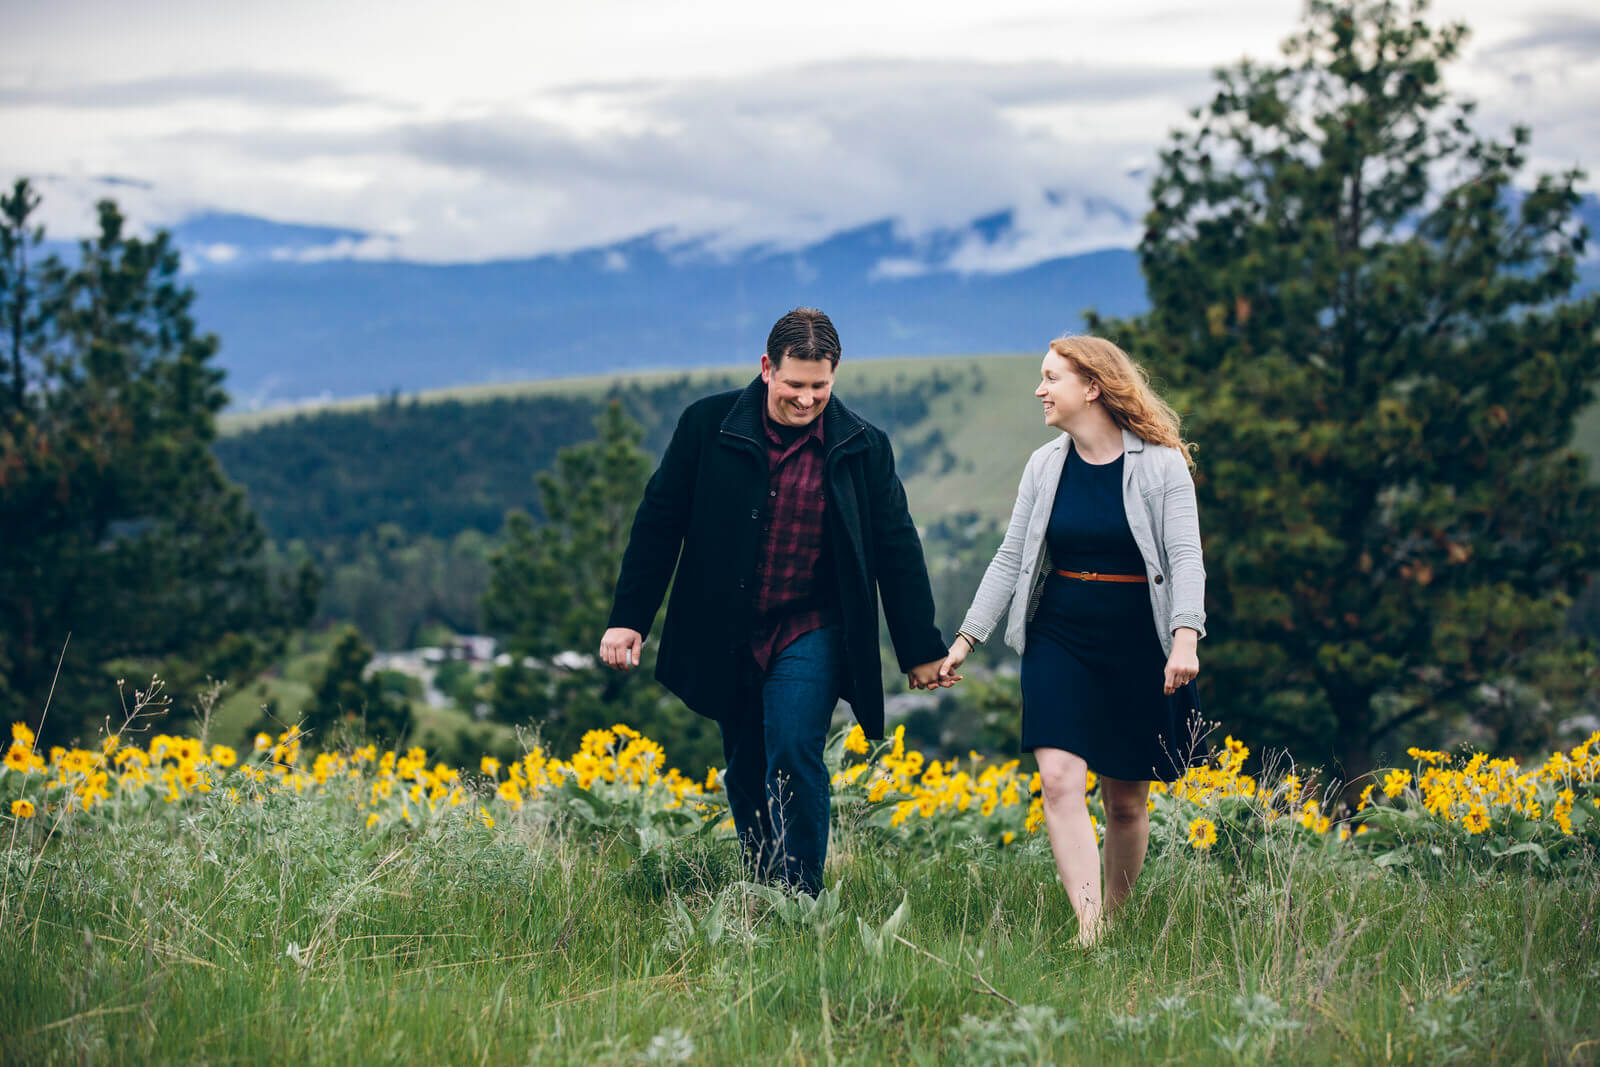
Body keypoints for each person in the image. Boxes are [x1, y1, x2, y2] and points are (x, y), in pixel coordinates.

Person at [599, 307, 952, 896]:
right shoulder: (707, 426)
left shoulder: (864, 447)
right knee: (745, 766)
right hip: (728, 626)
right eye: (795, 384)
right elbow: (660, 523)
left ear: (835, 376)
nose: (807, 399)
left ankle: (800, 899)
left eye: (820, 386)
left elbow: (896, 547)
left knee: (793, 746)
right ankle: (761, 888)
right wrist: (628, 620)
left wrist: (920, 648)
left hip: (813, 626)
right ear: (767, 368)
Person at [939, 334, 1205, 945]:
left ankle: (1116, 916)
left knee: (1126, 802)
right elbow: (1011, 558)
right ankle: (1090, 932)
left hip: (1139, 636)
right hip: (1059, 631)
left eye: (1051, 378)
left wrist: (1184, 639)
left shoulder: (1161, 464)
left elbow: (1187, 557)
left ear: (1092, 387)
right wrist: (965, 641)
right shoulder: (1044, 465)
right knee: (1058, 778)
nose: (1039, 389)